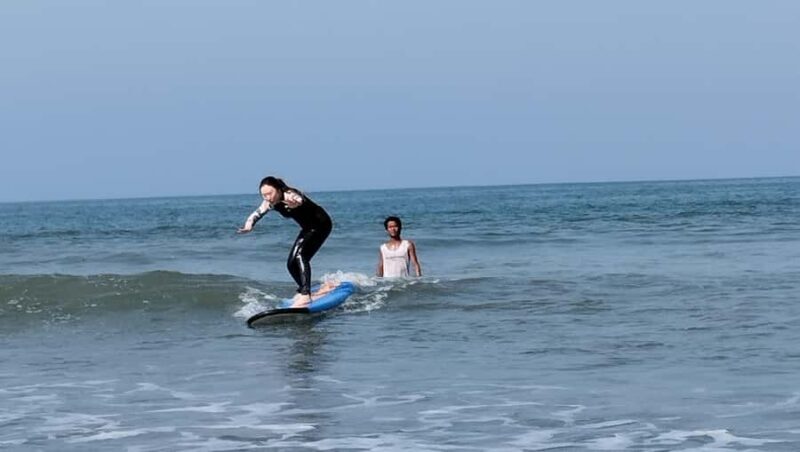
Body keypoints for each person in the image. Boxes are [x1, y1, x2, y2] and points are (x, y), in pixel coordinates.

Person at [238, 176, 333, 307]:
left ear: (278, 189)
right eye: (263, 195)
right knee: (291, 264)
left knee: (301, 256)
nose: (267, 197)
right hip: (308, 228)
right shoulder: (270, 202)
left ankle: (305, 295)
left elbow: (299, 199)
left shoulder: (289, 194)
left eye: (269, 193)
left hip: (321, 224)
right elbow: (257, 213)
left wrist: (296, 202)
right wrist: (249, 226)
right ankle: (305, 289)